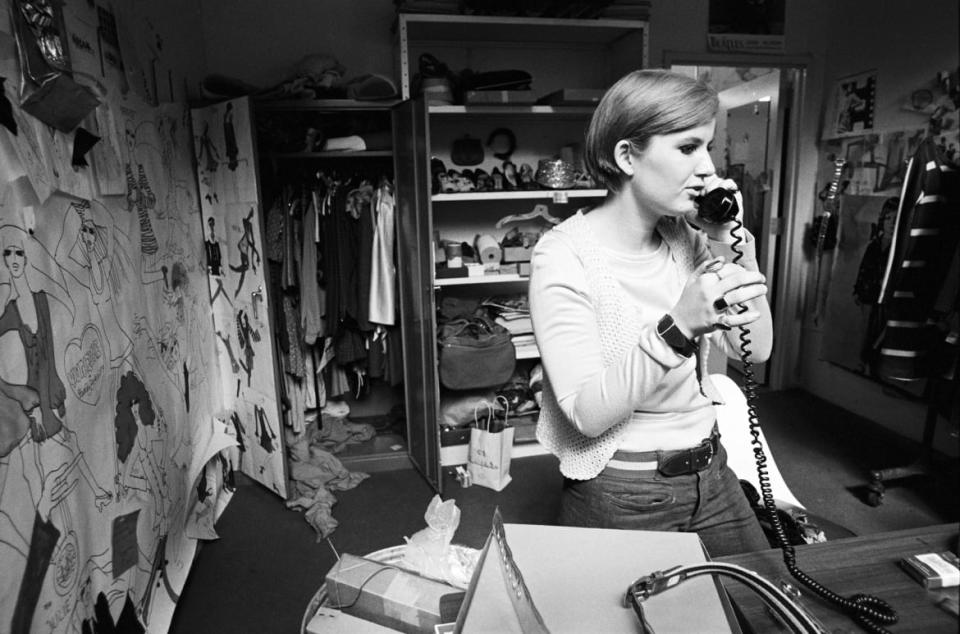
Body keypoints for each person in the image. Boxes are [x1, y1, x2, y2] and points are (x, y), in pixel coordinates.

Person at [529, 69, 774, 557]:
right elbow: (587, 415)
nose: (708, 168)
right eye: (688, 148)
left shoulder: (687, 241)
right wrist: (677, 327)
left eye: (709, 146)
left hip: (712, 471)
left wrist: (732, 242)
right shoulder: (563, 255)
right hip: (623, 489)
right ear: (627, 156)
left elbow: (758, 348)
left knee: (769, 614)